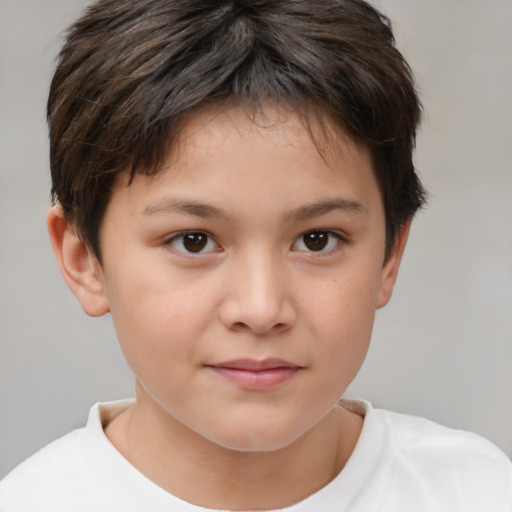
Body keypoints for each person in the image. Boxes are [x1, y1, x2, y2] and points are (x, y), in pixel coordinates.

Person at [0, 0, 511, 510]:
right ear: (84, 259)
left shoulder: (478, 492)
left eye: (317, 240)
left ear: (388, 255)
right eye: (193, 240)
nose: (262, 309)